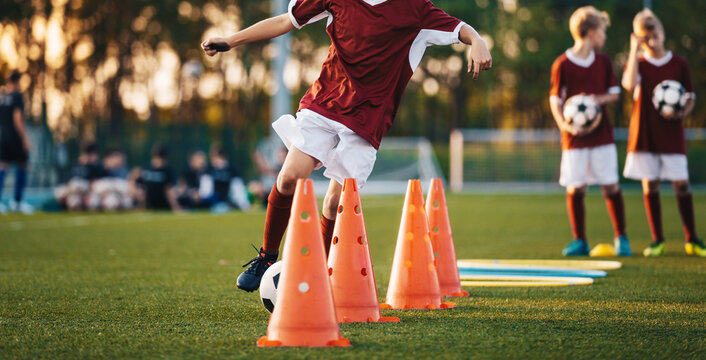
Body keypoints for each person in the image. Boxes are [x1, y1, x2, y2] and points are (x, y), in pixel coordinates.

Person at [202, 0, 492, 291]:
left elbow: (459, 28)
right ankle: (266, 257)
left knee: (334, 202)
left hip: (368, 118)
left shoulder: (414, 7)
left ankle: (316, 272)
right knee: (290, 177)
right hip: (325, 102)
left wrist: (477, 40)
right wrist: (231, 40)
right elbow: (284, 21)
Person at [549, 6, 631, 257]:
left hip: (601, 134)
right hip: (573, 137)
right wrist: (564, 124)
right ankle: (579, 240)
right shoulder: (562, 63)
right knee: (576, 187)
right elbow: (555, 100)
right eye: (603, 31)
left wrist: (596, 100)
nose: (604, 36)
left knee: (610, 185)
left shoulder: (604, 61)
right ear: (591, 32)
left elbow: (615, 94)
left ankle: (621, 237)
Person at [621, 9, 703, 257]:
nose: (651, 41)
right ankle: (658, 239)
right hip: (645, 132)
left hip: (672, 132)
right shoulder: (640, 64)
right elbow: (627, 83)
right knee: (651, 185)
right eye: (645, 37)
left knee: (681, 184)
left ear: (662, 33)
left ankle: (692, 239)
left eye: (654, 34)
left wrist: (682, 112)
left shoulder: (679, 63)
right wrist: (635, 50)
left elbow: (690, 97)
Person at [0, 70, 33, 214]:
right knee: (23, 165)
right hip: (15, 138)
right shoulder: (17, 96)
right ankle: (17, 201)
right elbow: (17, 118)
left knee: (3, 167)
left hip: (3, 137)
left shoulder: (3, 97)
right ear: (17, 81)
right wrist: (25, 138)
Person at [135, 145, 182, 212]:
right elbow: (141, 188)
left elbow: (169, 190)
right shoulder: (146, 169)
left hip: (164, 206)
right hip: (149, 206)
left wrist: (176, 208)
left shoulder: (167, 170)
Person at [205, 145, 250, 211]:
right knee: (206, 180)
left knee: (236, 183)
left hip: (229, 196)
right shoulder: (209, 169)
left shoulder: (231, 169)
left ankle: (244, 205)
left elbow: (238, 186)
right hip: (214, 197)